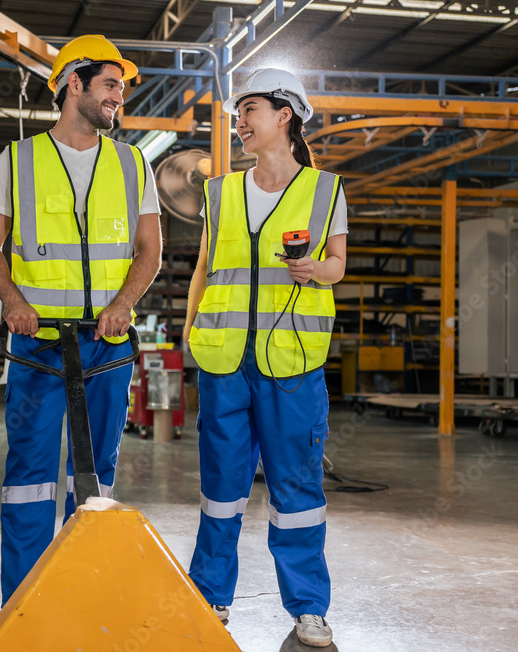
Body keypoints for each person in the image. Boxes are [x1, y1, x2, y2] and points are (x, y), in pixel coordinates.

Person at [0, 34, 163, 605]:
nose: (118, 98)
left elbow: (149, 249)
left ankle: (83, 596)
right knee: (29, 477)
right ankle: (26, 607)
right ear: (73, 84)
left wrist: (123, 304)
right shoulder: (19, 159)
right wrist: (13, 300)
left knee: (96, 477)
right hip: (39, 345)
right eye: (110, 85)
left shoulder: (133, 163)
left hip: (105, 344)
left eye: (122, 90)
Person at [183, 68, 347, 648]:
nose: (239, 121)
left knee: (296, 491)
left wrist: (315, 270)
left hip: (292, 365)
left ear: (284, 116)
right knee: (220, 488)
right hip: (225, 360)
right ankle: (211, 597)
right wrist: (189, 329)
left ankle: (309, 608)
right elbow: (205, 267)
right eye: (238, 111)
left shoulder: (325, 190)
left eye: (250, 109)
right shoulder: (220, 191)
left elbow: (337, 266)